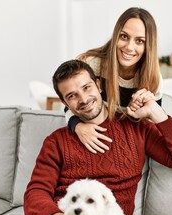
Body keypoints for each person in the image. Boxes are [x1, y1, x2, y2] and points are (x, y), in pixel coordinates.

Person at [6, 60, 172, 215]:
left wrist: (156, 113)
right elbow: (36, 191)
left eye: (86, 87)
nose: (83, 99)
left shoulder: (136, 128)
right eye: (71, 96)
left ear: (98, 85)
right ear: (65, 104)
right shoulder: (56, 141)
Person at [68, 7, 163, 154]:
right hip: (94, 141)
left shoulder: (153, 78)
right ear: (116, 36)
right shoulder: (92, 64)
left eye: (139, 41)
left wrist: (143, 113)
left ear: (148, 46)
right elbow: (71, 103)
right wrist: (77, 126)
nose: (129, 47)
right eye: (124, 36)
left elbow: (153, 131)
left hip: (128, 147)